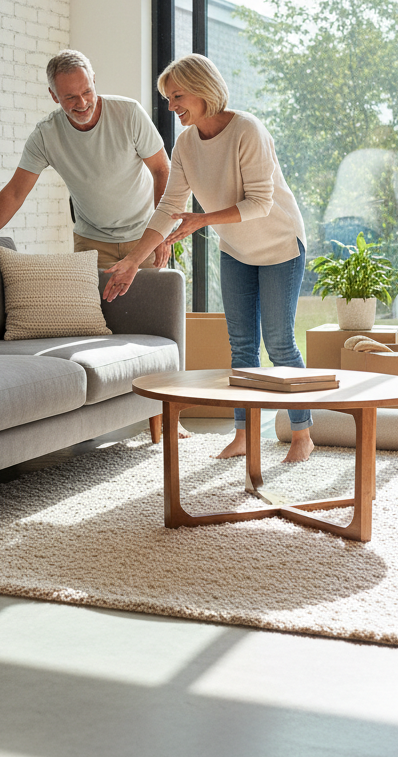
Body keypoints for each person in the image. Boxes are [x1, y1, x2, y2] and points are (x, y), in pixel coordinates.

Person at [101, 53, 315, 463]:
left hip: (280, 245)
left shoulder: (247, 130)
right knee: (241, 346)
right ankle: (244, 434)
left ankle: (302, 434)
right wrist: (132, 260)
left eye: (177, 95)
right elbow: (168, 208)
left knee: (279, 343)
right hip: (236, 249)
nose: (171, 105)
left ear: (203, 91)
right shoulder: (185, 143)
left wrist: (202, 221)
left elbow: (260, 202)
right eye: (167, 98)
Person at [0, 49, 172, 269]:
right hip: (92, 242)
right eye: (70, 97)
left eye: (87, 91)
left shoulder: (129, 113)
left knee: (147, 301)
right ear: (54, 95)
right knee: (91, 305)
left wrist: (160, 232)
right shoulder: (46, 135)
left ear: (94, 81)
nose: (82, 102)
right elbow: (15, 192)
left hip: (145, 236)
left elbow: (161, 169)